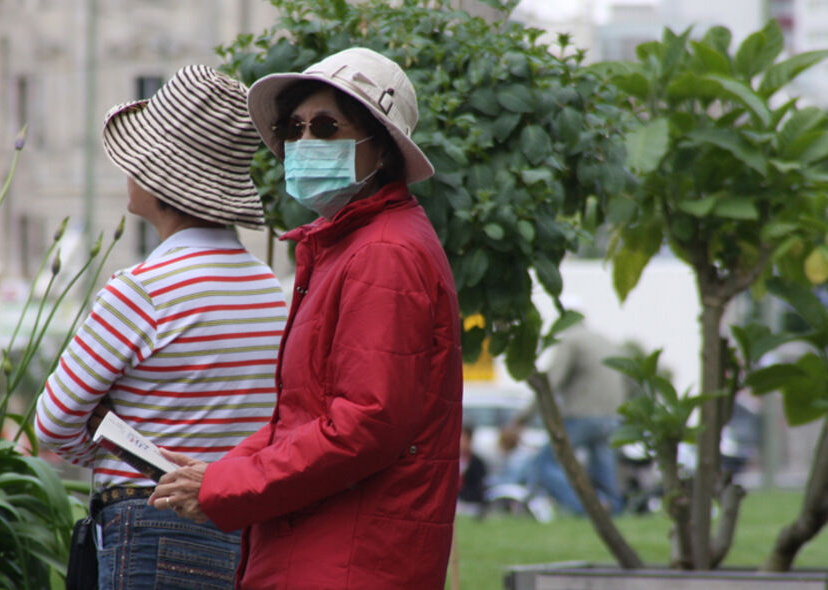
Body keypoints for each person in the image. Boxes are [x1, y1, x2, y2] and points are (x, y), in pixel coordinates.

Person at [149, 47, 463, 589]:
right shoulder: (351, 246)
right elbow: (304, 418)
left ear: (382, 148)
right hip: (330, 551)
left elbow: (364, 423)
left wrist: (225, 484)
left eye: (326, 127)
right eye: (293, 129)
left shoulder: (383, 252)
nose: (304, 142)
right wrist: (218, 475)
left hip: (349, 559)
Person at [33, 65, 287, 590]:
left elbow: (53, 422)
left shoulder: (141, 290)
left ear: (157, 179)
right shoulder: (271, 291)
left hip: (149, 527)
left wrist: (110, 441)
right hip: (245, 530)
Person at [500, 314, 627, 516]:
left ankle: (588, 509)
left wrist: (522, 418)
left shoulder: (571, 340)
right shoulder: (604, 340)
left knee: (543, 465)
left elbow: (550, 383)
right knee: (604, 473)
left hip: (582, 416)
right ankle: (612, 510)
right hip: (612, 418)